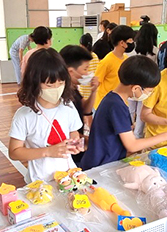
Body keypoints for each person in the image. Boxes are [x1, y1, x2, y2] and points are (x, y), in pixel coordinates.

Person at [80, 56, 167, 170]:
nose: (149, 95)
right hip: (99, 166)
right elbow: (132, 145)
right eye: (149, 91)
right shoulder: (115, 105)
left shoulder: (114, 99)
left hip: (105, 161)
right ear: (136, 88)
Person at [8, 48, 83, 183]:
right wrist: (48, 152)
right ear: (34, 82)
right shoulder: (24, 115)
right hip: (40, 180)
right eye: (50, 85)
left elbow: (74, 132)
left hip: (69, 175)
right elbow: (14, 152)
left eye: (61, 83)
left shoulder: (68, 106)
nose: (56, 89)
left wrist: (75, 142)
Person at [59, 45, 99, 164]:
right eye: (85, 69)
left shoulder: (74, 89)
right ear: (71, 71)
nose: (88, 73)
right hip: (69, 150)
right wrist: (81, 138)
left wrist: (94, 90)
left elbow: (86, 110)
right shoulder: (62, 95)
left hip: (77, 144)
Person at [126, 23, 159, 138]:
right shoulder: (155, 51)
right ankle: (138, 135)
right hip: (146, 86)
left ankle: (127, 134)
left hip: (131, 84)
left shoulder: (132, 49)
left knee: (129, 111)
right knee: (141, 113)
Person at [94, 25, 136, 109]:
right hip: (105, 105)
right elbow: (96, 84)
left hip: (121, 103)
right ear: (122, 43)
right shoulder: (106, 62)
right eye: (130, 40)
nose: (132, 43)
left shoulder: (126, 60)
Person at [78, 33, 100, 100]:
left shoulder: (81, 57)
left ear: (81, 45)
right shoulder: (95, 56)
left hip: (84, 90)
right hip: (93, 88)